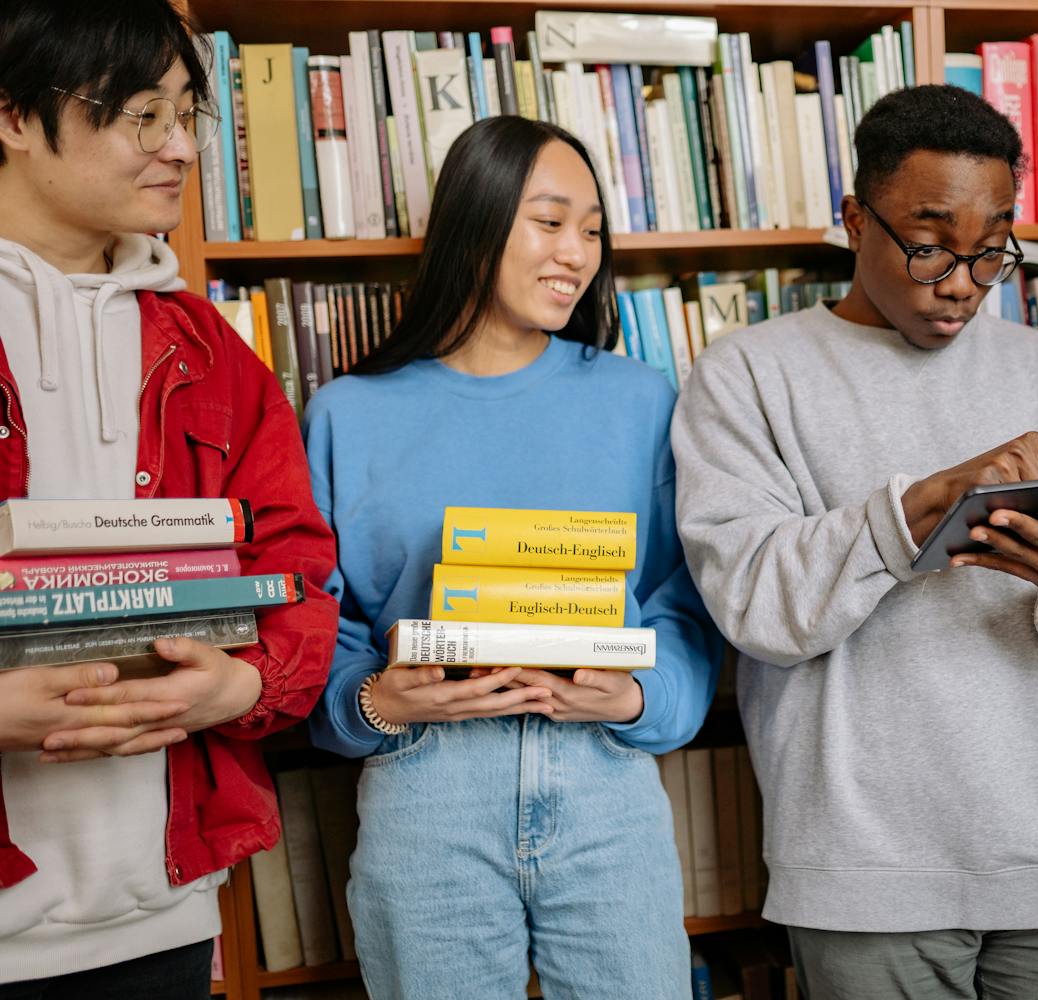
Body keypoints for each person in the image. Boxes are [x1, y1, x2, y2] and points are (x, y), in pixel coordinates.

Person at [672, 83, 1038, 1000]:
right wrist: (928, 502)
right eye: (930, 246)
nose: (963, 286)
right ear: (855, 219)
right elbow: (756, 609)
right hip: (865, 874)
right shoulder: (747, 374)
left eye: (991, 253)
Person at [303, 115, 721, 1000]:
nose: (577, 252)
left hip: (606, 773)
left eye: (594, 229)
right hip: (427, 784)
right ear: (476, 221)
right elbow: (318, 630)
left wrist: (641, 698)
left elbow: (683, 601)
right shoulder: (347, 414)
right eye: (549, 220)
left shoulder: (640, 399)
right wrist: (373, 703)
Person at [0, 1, 338, 995]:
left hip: (163, 913)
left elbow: (301, 576)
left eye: (188, 114)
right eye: (142, 115)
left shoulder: (214, 356)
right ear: (15, 116)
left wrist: (243, 687)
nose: (182, 148)